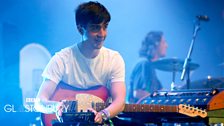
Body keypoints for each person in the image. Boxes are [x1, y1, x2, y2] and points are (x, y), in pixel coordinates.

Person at [34, 1, 126, 125]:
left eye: (105, 27)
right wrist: (55, 107)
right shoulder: (61, 59)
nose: (102, 34)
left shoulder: (114, 58)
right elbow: (39, 102)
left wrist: (104, 114)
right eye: (95, 28)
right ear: (80, 28)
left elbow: (119, 102)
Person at [128, 31, 168, 103]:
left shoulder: (150, 67)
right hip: (137, 112)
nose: (166, 46)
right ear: (156, 44)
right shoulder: (144, 63)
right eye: (164, 42)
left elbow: (161, 91)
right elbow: (138, 93)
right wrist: (159, 99)